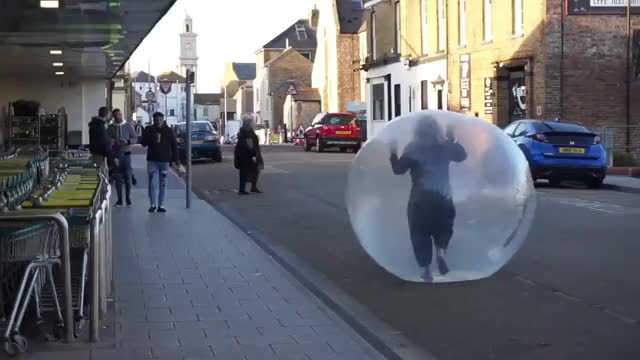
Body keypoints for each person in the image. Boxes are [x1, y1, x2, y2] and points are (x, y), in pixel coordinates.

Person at [389, 117, 467, 281]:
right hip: (443, 197)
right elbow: (462, 156)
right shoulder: (445, 146)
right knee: (444, 228)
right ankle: (441, 250)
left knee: (419, 233)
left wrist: (393, 153)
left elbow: (398, 170)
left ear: (417, 130)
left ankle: (425, 269)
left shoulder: (413, 148)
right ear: (437, 129)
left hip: (420, 199)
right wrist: (451, 137)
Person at [141, 112, 179, 213]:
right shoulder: (149, 130)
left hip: (164, 161)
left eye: (160, 120)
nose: (158, 122)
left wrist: (176, 160)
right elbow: (143, 143)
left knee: (163, 183)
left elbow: (174, 146)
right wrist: (152, 138)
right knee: (152, 183)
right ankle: (153, 204)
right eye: (156, 120)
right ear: (153, 121)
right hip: (152, 160)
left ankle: (161, 205)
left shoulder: (168, 131)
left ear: (163, 120)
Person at [107, 109, 137, 207]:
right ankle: (119, 200)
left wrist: (127, 141)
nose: (118, 117)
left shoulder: (128, 125)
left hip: (126, 154)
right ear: (113, 117)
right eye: (116, 116)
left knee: (127, 178)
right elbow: (107, 141)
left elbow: (135, 138)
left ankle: (128, 199)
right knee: (118, 178)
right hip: (116, 156)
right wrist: (111, 142)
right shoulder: (111, 127)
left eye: (119, 115)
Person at [234, 116, 264, 195]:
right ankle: (242, 190)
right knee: (245, 172)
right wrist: (253, 154)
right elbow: (249, 144)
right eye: (252, 122)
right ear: (248, 123)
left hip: (246, 154)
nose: (253, 124)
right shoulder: (246, 131)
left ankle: (252, 187)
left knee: (254, 170)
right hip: (246, 155)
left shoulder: (247, 130)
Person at [89, 106, 112, 175]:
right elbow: (103, 141)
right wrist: (108, 153)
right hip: (100, 154)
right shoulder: (100, 125)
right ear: (106, 114)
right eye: (109, 114)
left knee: (99, 172)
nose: (110, 116)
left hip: (96, 152)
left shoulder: (95, 123)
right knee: (101, 174)